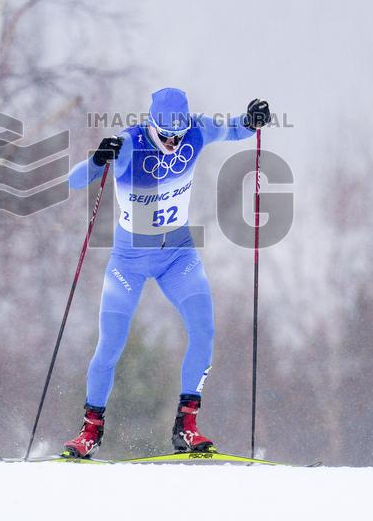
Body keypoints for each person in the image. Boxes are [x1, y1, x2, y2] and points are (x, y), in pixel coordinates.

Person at [62, 87, 270, 458]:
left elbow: (237, 129)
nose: (174, 143)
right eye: (166, 135)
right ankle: (90, 430)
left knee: (204, 328)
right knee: (110, 344)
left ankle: (186, 426)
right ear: (152, 125)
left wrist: (253, 121)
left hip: (177, 255)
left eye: (179, 135)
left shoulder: (196, 131)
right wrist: (97, 159)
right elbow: (75, 180)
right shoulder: (129, 143)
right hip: (129, 261)